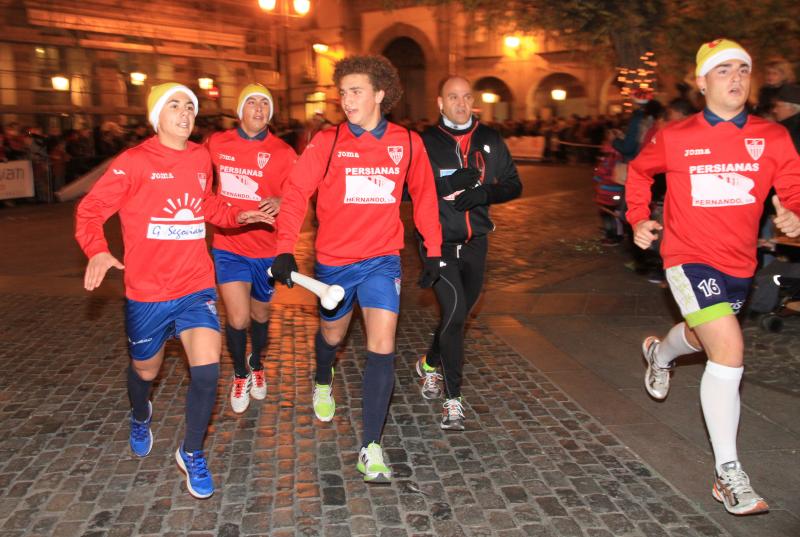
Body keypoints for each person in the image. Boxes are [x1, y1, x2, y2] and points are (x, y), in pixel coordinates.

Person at [626, 39, 800, 516]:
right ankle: (729, 474)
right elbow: (639, 174)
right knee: (728, 349)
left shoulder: (773, 137)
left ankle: (659, 352)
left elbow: (793, 191)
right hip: (687, 258)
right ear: (702, 82)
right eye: (723, 70)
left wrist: (795, 216)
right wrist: (639, 218)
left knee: (704, 341)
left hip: (741, 264)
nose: (736, 78)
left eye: (743, 68)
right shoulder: (676, 135)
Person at [75, 83, 272, 499]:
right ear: (156, 115)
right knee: (145, 371)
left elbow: (206, 205)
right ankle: (139, 413)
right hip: (147, 293)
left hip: (195, 286)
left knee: (206, 371)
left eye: (190, 107)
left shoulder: (201, 156)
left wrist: (239, 214)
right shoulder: (133, 162)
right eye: (175, 106)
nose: (184, 114)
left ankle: (192, 451)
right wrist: (96, 250)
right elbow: (90, 210)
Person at [270, 55, 442, 483]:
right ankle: (322, 375)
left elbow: (423, 197)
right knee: (332, 334)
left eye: (356, 91)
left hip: (382, 258)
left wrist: (433, 251)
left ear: (380, 94)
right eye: (343, 92)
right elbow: (295, 192)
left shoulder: (406, 142)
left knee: (381, 346)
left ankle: (371, 446)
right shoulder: (327, 142)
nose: (347, 100)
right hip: (334, 261)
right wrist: (283, 248)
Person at [414, 76, 522, 430]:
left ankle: (429, 363)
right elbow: (404, 192)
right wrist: (446, 184)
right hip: (438, 244)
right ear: (440, 102)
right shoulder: (424, 142)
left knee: (456, 316)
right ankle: (452, 399)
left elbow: (513, 184)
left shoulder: (490, 139)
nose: (461, 104)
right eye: (453, 97)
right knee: (456, 311)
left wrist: (485, 194)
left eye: (466, 97)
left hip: (477, 244)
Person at [207, 84, 297, 414]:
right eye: (251, 102)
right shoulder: (216, 143)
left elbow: (301, 195)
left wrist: (283, 199)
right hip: (229, 245)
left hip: (267, 251)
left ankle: (256, 363)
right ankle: (241, 374)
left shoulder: (284, 152)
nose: (258, 108)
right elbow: (201, 184)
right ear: (239, 109)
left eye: (264, 104)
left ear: (270, 112)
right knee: (238, 316)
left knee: (260, 316)